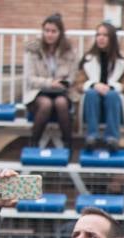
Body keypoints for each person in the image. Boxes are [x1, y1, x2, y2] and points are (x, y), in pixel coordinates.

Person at [23, 13, 78, 152]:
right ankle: (33, 143)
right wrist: (49, 83)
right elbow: (30, 78)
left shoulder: (69, 51)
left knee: (61, 103)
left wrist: (63, 83)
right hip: (39, 93)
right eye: (47, 31)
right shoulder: (33, 51)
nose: (50, 34)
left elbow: (72, 76)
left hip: (62, 92)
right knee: (46, 104)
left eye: (53, 31)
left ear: (60, 33)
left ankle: (68, 143)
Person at [77, 22, 124, 149]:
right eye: (98, 34)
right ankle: (92, 136)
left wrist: (111, 87)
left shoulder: (121, 60)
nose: (101, 38)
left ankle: (112, 138)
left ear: (112, 38)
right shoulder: (88, 59)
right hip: (91, 107)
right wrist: (94, 85)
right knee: (91, 93)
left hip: (113, 108)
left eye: (105, 35)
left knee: (112, 95)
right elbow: (78, 84)